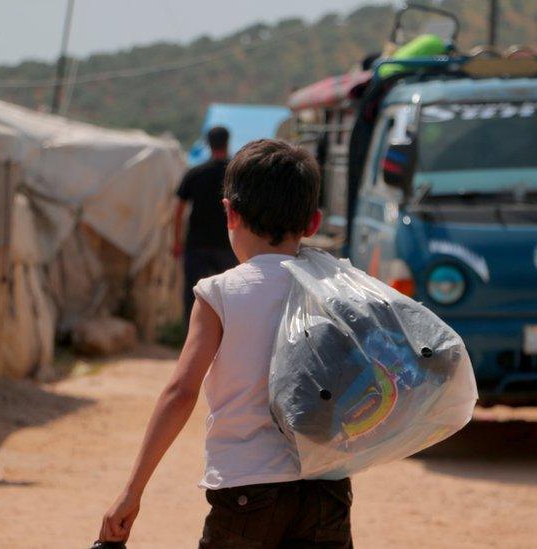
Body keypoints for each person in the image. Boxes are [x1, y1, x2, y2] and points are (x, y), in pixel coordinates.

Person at [99, 140, 353, 548]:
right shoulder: (337, 288)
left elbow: (182, 392)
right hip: (327, 488)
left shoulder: (220, 293)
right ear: (313, 223)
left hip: (247, 491)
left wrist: (133, 490)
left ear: (230, 213)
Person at [173, 126, 238, 324]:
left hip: (197, 245)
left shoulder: (195, 173)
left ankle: (190, 340)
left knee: (194, 296)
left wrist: (177, 242)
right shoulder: (235, 175)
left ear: (208, 144)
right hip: (228, 245)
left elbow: (178, 211)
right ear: (228, 143)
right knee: (229, 297)